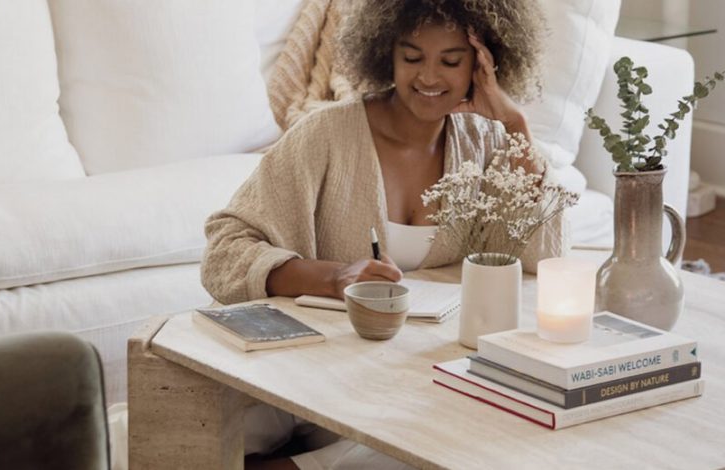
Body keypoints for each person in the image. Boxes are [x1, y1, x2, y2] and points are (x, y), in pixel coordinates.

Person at [202, 0, 562, 468]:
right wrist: (332, 278)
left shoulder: (491, 142)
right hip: (304, 364)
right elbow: (225, 249)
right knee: (207, 421)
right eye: (412, 57)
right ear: (385, 53)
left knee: (453, 435)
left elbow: (539, 259)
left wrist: (515, 127)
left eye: (451, 61)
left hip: (397, 379)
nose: (429, 78)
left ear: (483, 64)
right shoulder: (324, 135)